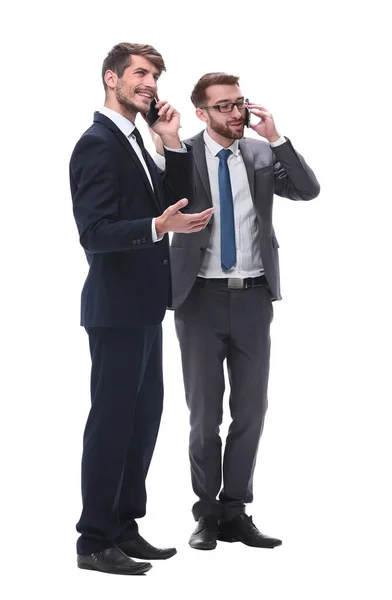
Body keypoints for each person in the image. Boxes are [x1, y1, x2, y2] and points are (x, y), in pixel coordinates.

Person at [151, 72, 320, 551]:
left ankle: (235, 510)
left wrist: (278, 139)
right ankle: (205, 514)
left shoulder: (261, 152)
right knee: (204, 414)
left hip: (252, 297)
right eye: (223, 107)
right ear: (202, 114)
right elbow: (163, 202)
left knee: (250, 409)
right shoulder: (179, 153)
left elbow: (307, 190)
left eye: (239, 103)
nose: (236, 113)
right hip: (199, 299)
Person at [69, 43, 214, 575]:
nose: (150, 83)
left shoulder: (136, 140)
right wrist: (156, 228)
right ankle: (92, 540)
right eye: (140, 74)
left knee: (143, 419)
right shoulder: (97, 143)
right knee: (111, 422)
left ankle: (125, 526)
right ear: (112, 78)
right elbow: (95, 232)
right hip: (114, 309)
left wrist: (172, 143)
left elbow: (175, 204)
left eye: (154, 75)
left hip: (146, 307)